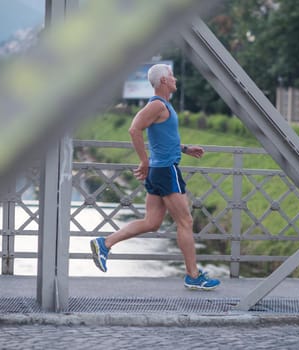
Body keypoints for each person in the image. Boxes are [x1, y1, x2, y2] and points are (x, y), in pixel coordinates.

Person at [90, 63, 220, 290]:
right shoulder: (158, 105)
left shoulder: (162, 106)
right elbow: (134, 129)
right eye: (172, 76)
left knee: (152, 222)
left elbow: (164, 139)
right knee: (186, 221)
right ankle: (193, 275)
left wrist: (185, 148)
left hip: (161, 169)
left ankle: (105, 243)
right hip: (165, 170)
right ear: (163, 81)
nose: (175, 79)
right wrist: (144, 161)